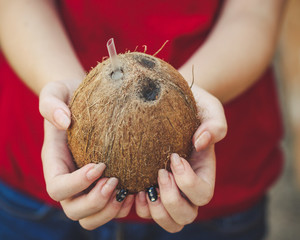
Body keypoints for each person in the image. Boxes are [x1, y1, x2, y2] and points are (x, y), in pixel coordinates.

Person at [0, 0, 285, 239]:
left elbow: (254, 12)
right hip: (34, 181)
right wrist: (66, 97)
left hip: (216, 187)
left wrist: (184, 99)